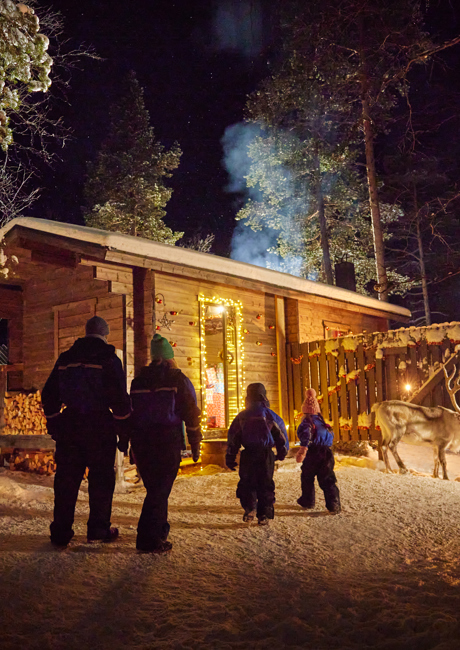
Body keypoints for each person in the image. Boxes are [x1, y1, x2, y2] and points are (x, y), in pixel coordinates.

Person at [41, 316, 132, 547]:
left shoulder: (66, 358)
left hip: (70, 424)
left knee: (66, 480)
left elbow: (49, 393)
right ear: (105, 334)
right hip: (100, 424)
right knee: (101, 479)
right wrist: (123, 431)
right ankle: (98, 529)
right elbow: (119, 398)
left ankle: (60, 531)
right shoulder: (108, 359)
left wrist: (54, 421)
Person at [129, 333, 202, 554]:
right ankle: (148, 538)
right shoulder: (177, 380)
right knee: (159, 491)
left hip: (142, 441)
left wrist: (129, 441)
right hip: (166, 440)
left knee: (155, 488)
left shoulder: (138, 381)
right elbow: (191, 413)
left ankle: (160, 531)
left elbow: (131, 412)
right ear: (170, 359)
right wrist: (195, 442)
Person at [226, 383, 288, 526]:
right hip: (266, 455)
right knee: (265, 483)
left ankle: (249, 508)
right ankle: (264, 514)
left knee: (247, 483)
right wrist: (281, 451)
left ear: (248, 397)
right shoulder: (270, 416)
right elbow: (281, 435)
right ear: (264, 396)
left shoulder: (242, 416)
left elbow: (233, 437)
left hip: (248, 454)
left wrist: (230, 456)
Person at [296, 388, 341, 514]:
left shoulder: (307, 423)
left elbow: (306, 438)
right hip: (326, 453)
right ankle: (334, 504)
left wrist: (302, 452)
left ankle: (308, 500)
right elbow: (330, 438)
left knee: (307, 477)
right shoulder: (323, 423)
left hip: (313, 453)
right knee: (327, 479)